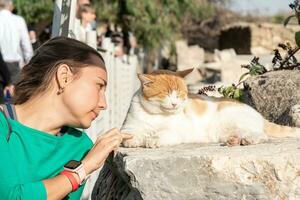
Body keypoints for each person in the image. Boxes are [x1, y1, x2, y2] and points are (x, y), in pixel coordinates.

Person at [0, 36, 132, 200]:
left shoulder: (80, 147)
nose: (104, 104)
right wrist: (81, 170)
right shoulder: (3, 125)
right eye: (99, 86)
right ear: (64, 77)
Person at [0, 0, 33, 82]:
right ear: (11, 7)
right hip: (14, 65)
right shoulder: (18, 20)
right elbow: (26, 47)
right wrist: (29, 65)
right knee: (14, 93)